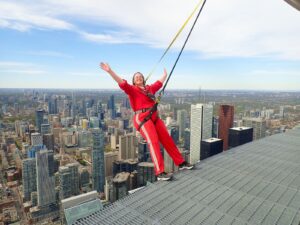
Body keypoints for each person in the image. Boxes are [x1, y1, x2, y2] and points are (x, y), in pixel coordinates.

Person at [100, 62, 193, 181]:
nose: (138, 77)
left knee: (167, 139)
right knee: (153, 141)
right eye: (136, 77)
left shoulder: (149, 89)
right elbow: (122, 83)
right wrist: (110, 71)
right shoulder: (132, 90)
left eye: (140, 76)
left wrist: (165, 75)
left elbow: (158, 84)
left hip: (155, 117)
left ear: (143, 79)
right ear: (134, 81)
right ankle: (160, 172)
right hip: (142, 118)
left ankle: (181, 163)